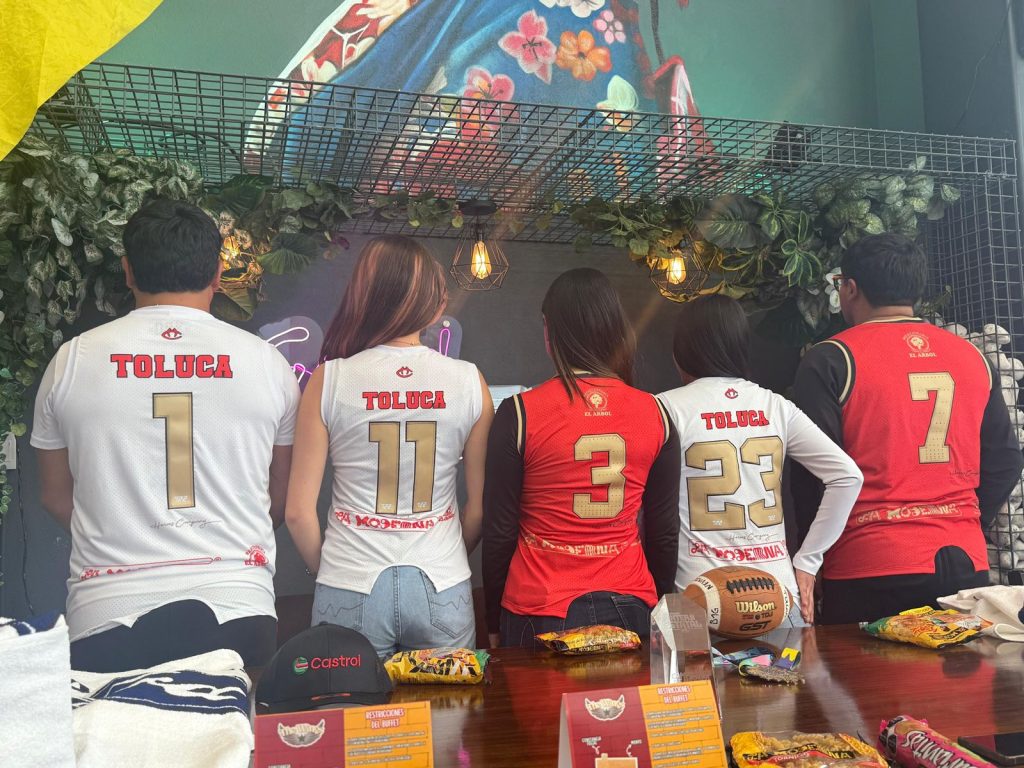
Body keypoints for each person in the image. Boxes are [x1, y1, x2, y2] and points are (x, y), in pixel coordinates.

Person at [31, 198, 300, 672]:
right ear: (218, 274)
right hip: (238, 603)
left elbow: (55, 496)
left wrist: (122, 532)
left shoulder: (71, 361)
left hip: (107, 609)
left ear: (128, 271)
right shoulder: (268, 363)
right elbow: (279, 497)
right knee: (235, 724)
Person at [793, 233, 1024, 624]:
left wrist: (809, 558)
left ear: (851, 288)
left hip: (868, 563)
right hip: (964, 563)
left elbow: (811, 476)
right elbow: (1006, 460)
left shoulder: (832, 359)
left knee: (866, 667)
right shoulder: (972, 357)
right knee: (959, 667)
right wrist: (965, 519)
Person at [286, 235, 493, 657]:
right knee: (452, 702)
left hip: (350, 579)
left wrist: (329, 570)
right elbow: (478, 510)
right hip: (442, 581)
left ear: (364, 296)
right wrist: (450, 553)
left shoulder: (330, 379)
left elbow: (297, 513)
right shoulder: (470, 381)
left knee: (351, 702)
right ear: (436, 306)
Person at [483, 267, 681, 649]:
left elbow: (500, 531)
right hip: (632, 601)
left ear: (549, 332)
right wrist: (661, 609)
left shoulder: (520, 413)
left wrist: (492, 620)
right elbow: (664, 531)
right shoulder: (655, 413)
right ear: (614, 329)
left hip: (539, 606)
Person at [658, 295, 863, 625]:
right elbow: (848, 476)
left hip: (696, 598)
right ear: (742, 346)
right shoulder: (775, 406)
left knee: (690, 663)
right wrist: (808, 562)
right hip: (778, 595)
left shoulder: (664, 408)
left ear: (679, 352)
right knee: (789, 662)